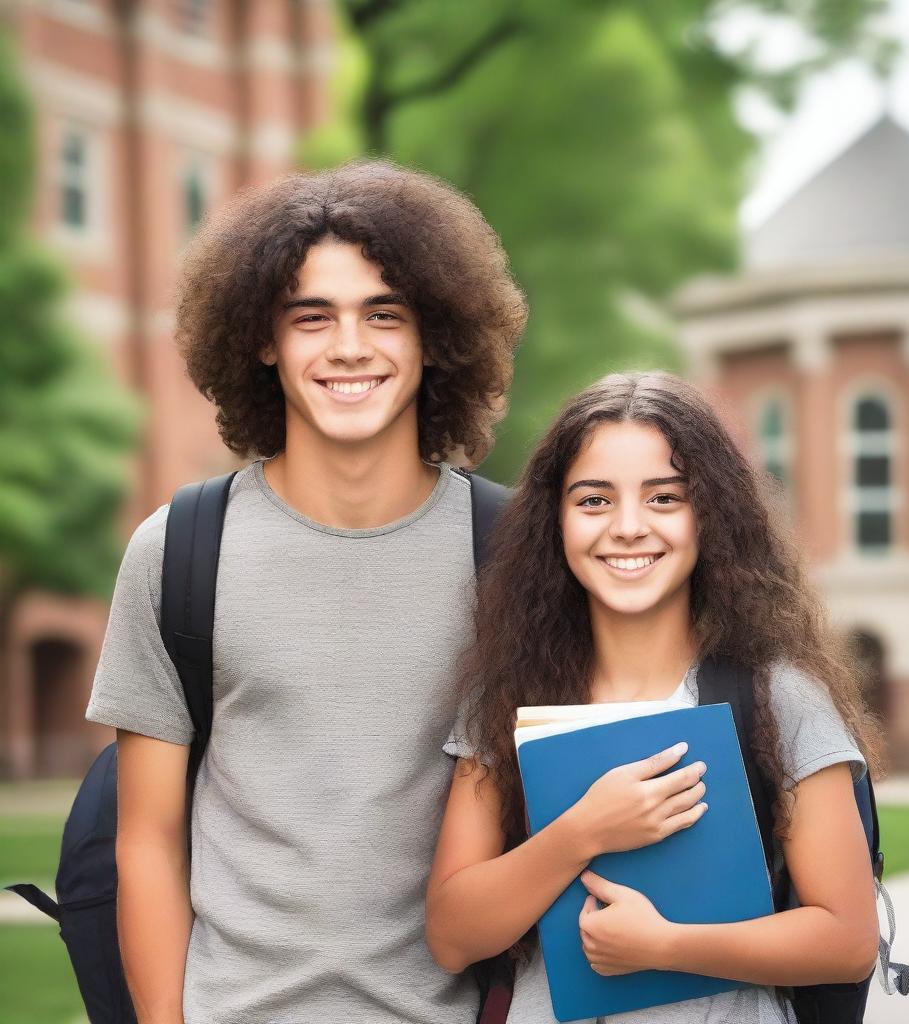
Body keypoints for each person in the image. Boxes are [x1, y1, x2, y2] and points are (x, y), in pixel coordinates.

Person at [85, 160, 527, 1023]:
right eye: (312, 317)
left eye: (384, 314)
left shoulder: (512, 554)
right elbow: (145, 843)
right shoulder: (178, 551)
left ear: (432, 336)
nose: (349, 346)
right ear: (263, 339)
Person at [427, 372, 881, 1024]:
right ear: (553, 521)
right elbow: (452, 935)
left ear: (711, 515)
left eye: (665, 498)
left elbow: (848, 942)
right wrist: (583, 831)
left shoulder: (780, 698)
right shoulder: (503, 698)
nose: (630, 527)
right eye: (593, 501)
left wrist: (664, 945)